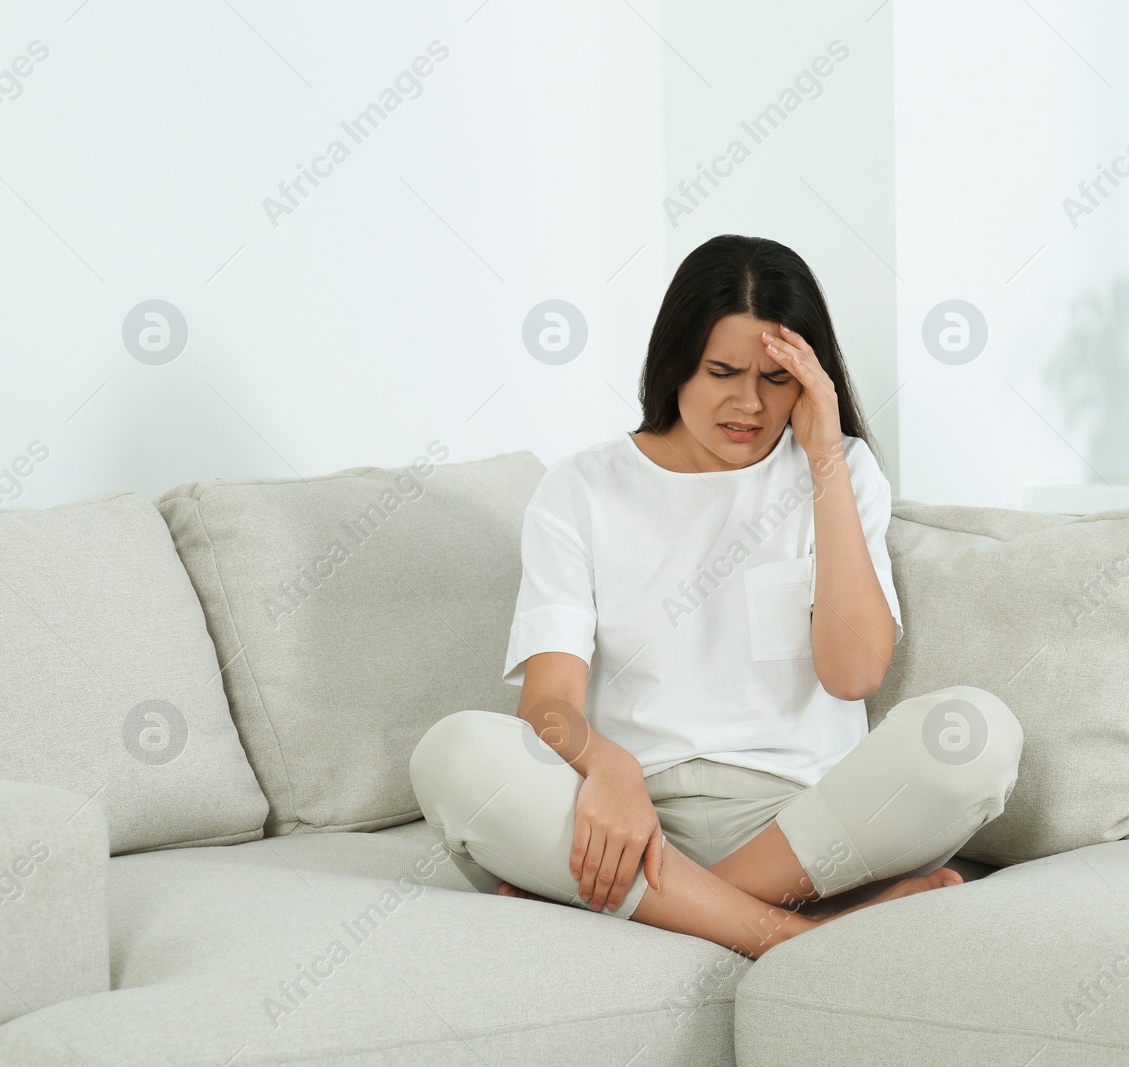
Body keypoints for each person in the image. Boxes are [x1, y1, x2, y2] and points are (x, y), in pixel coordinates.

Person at [410, 234, 1023, 960]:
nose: (749, 404)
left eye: (777, 379)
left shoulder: (842, 470)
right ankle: (797, 932)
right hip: (627, 816)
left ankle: (668, 907)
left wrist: (825, 457)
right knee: (451, 755)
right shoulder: (579, 489)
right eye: (723, 371)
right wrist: (611, 767)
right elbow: (548, 704)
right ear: (674, 364)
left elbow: (854, 674)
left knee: (976, 735)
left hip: (803, 819)